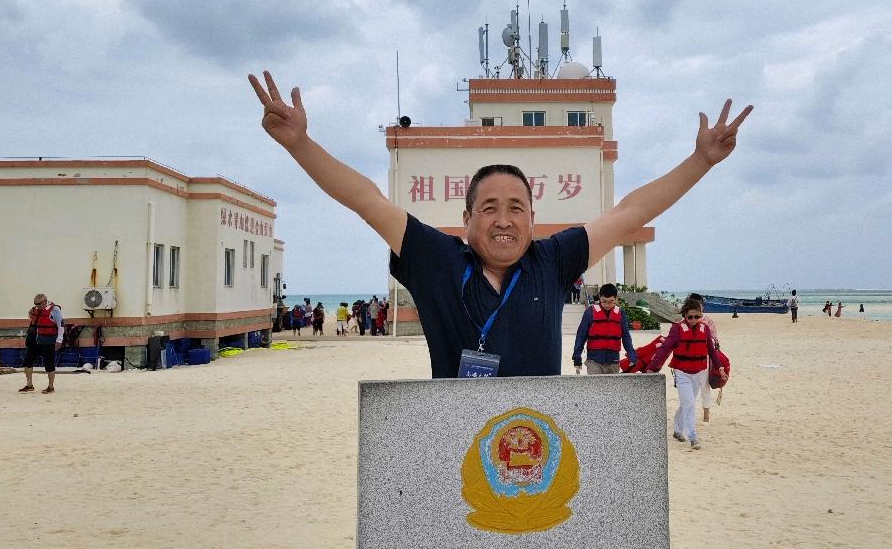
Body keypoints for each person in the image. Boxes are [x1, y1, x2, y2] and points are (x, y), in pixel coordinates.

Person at [249, 70, 752, 378]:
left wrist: (700, 162)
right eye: (489, 208)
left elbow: (629, 214)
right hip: (454, 435)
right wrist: (300, 144)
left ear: (533, 220)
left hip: (536, 440)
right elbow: (366, 200)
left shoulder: (553, 260)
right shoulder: (437, 260)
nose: (504, 220)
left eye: (517, 208)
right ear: (466, 220)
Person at [646, 294, 722, 449]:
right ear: (684, 315)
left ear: (701, 315)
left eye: (697, 317)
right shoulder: (677, 329)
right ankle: (693, 436)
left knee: (687, 403)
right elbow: (665, 349)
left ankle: (677, 429)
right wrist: (652, 368)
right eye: (690, 317)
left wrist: (720, 368)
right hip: (682, 373)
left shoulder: (705, 328)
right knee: (689, 404)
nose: (693, 320)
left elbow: (712, 351)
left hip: (699, 373)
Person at [572, 282, 637, 375]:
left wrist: (632, 355)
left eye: (611, 301)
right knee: (595, 387)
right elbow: (581, 335)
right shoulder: (590, 312)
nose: (607, 304)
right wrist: (577, 357)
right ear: (599, 298)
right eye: (604, 301)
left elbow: (626, 336)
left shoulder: (620, 313)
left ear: (615, 299)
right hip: (594, 360)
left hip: (613, 361)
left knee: (611, 388)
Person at [19, 293, 63, 394]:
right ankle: (29, 385)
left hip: (48, 341)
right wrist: (31, 313)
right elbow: (33, 321)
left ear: (44, 302)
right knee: (27, 362)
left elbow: (61, 325)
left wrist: (59, 340)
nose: (36, 306)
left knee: (49, 364)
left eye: (38, 304)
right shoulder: (35, 310)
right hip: (34, 341)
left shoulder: (55, 310)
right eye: (35, 304)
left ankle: (50, 387)